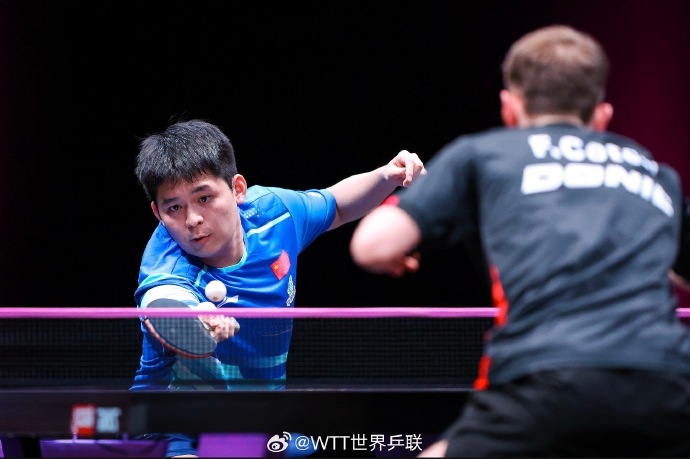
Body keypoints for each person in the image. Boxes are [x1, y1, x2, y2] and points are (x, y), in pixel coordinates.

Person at [349, 24, 690, 457]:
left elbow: (372, 246)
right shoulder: (655, 172)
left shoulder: (483, 154)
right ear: (602, 117)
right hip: (668, 382)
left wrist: (418, 230)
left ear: (509, 109)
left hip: (545, 379)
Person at [130, 118, 425, 457]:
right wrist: (199, 320)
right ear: (158, 213)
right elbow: (165, 303)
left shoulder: (274, 214)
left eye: (204, 198)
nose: (192, 219)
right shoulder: (165, 266)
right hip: (171, 424)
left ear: (237, 189)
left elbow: (337, 205)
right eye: (174, 208)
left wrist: (386, 176)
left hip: (258, 419)